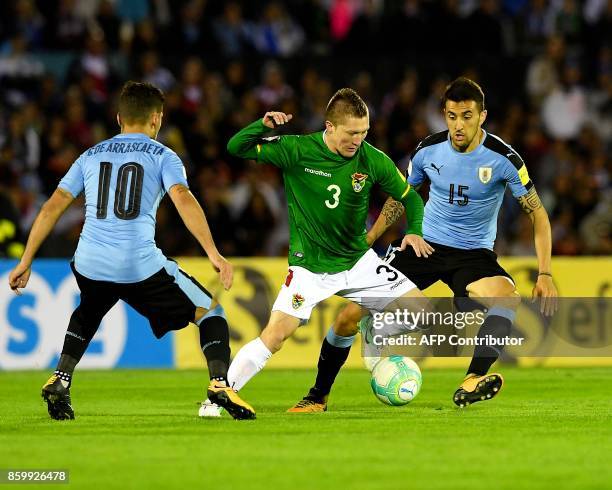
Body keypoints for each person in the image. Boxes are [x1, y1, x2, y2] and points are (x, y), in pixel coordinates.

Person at [289, 77, 559, 412]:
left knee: (506, 297)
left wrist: (545, 273)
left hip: (473, 255)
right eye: (451, 116)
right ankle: (318, 395)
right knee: (348, 316)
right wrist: (370, 239)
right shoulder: (428, 150)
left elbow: (538, 215)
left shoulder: (504, 159)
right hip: (424, 247)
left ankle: (472, 379)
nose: (458, 125)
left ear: (483, 116)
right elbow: (401, 198)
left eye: (466, 116)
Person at [8, 81, 255, 421]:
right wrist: (213, 252)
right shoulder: (165, 156)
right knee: (210, 313)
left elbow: (53, 205)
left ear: (118, 118)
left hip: (89, 260)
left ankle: (61, 378)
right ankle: (218, 383)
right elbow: (182, 197)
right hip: (137, 262)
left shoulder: (90, 155)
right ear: (157, 119)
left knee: (90, 309)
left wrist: (26, 260)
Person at [200, 88, 432, 415]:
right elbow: (236, 147)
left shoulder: (373, 159)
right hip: (310, 268)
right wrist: (262, 126)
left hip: (357, 261)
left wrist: (414, 231)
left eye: (364, 132)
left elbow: (411, 198)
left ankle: (374, 328)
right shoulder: (297, 149)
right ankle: (219, 396)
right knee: (276, 335)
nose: (358, 139)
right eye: (352, 132)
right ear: (330, 126)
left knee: (424, 313)